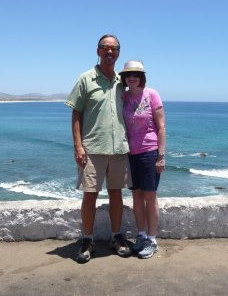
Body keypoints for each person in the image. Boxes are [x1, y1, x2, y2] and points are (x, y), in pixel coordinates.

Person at [65, 34, 132, 263]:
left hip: (119, 149)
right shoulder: (86, 79)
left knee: (116, 194)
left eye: (114, 48)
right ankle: (87, 239)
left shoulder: (122, 82)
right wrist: (78, 146)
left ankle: (117, 236)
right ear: (98, 51)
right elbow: (76, 113)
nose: (110, 51)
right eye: (105, 47)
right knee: (89, 196)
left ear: (118, 53)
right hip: (92, 149)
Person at [119, 60, 166, 259]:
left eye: (136, 75)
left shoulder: (152, 94)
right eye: (129, 74)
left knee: (150, 196)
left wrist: (160, 156)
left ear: (141, 77)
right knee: (136, 196)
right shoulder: (123, 96)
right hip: (131, 153)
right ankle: (141, 235)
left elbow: (161, 126)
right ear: (124, 77)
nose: (132, 78)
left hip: (149, 152)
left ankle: (152, 240)